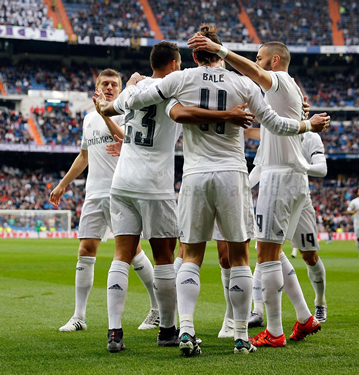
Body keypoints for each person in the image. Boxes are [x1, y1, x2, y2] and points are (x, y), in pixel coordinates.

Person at [126, 25, 328, 355]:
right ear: (222, 54)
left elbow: (139, 100)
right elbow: (276, 124)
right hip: (233, 175)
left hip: (194, 176)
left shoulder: (182, 79)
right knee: (239, 258)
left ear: (193, 56)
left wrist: (129, 90)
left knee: (190, 255)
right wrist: (308, 124)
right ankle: (239, 336)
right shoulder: (243, 83)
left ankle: (187, 331)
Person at [96, 41, 254, 353]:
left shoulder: (132, 90)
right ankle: (168, 329)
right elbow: (183, 114)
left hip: (122, 180)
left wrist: (123, 90)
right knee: (166, 257)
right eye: (179, 64)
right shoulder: (169, 90)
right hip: (155, 184)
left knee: (121, 254)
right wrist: (228, 115)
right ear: (173, 64)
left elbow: (109, 108)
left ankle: (114, 332)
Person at [187, 35, 329, 346]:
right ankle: (305, 317)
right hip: (290, 178)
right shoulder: (287, 88)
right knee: (275, 254)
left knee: (264, 256)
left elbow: (254, 73)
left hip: (280, 178)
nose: (256, 61)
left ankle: (275, 333)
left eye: (260, 57)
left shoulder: (276, 79)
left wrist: (220, 50)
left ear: (274, 61)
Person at [50, 69, 159, 333]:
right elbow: (83, 156)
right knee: (86, 251)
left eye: (114, 84)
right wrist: (63, 184)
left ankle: (157, 310)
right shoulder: (88, 119)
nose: (110, 88)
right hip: (94, 194)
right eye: (105, 84)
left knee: (132, 252)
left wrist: (104, 113)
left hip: (119, 192)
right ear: (96, 88)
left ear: (121, 89)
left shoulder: (126, 114)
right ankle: (79, 316)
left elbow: (126, 140)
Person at [248, 131, 329, 327]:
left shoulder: (310, 137)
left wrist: (300, 165)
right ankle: (257, 310)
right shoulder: (272, 135)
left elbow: (321, 169)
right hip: (273, 196)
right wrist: (244, 188)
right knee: (264, 249)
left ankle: (320, 301)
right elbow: (260, 167)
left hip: (300, 201)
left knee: (310, 256)